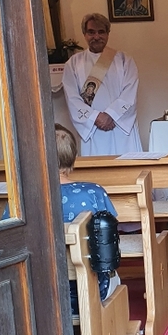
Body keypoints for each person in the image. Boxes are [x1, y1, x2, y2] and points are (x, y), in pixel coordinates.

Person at [56, 124, 121, 308]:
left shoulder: (23, 199)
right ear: (74, 156)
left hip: (39, 294)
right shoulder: (94, 192)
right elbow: (110, 240)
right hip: (92, 289)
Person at [62, 12, 142, 156]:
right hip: (93, 129)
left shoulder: (124, 60)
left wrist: (110, 115)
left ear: (108, 33)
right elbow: (72, 98)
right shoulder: (73, 64)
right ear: (84, 34)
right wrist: (96, 117)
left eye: (101, 32)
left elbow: (130, 93)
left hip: (120, 128)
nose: (96, 36)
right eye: (91, 32)